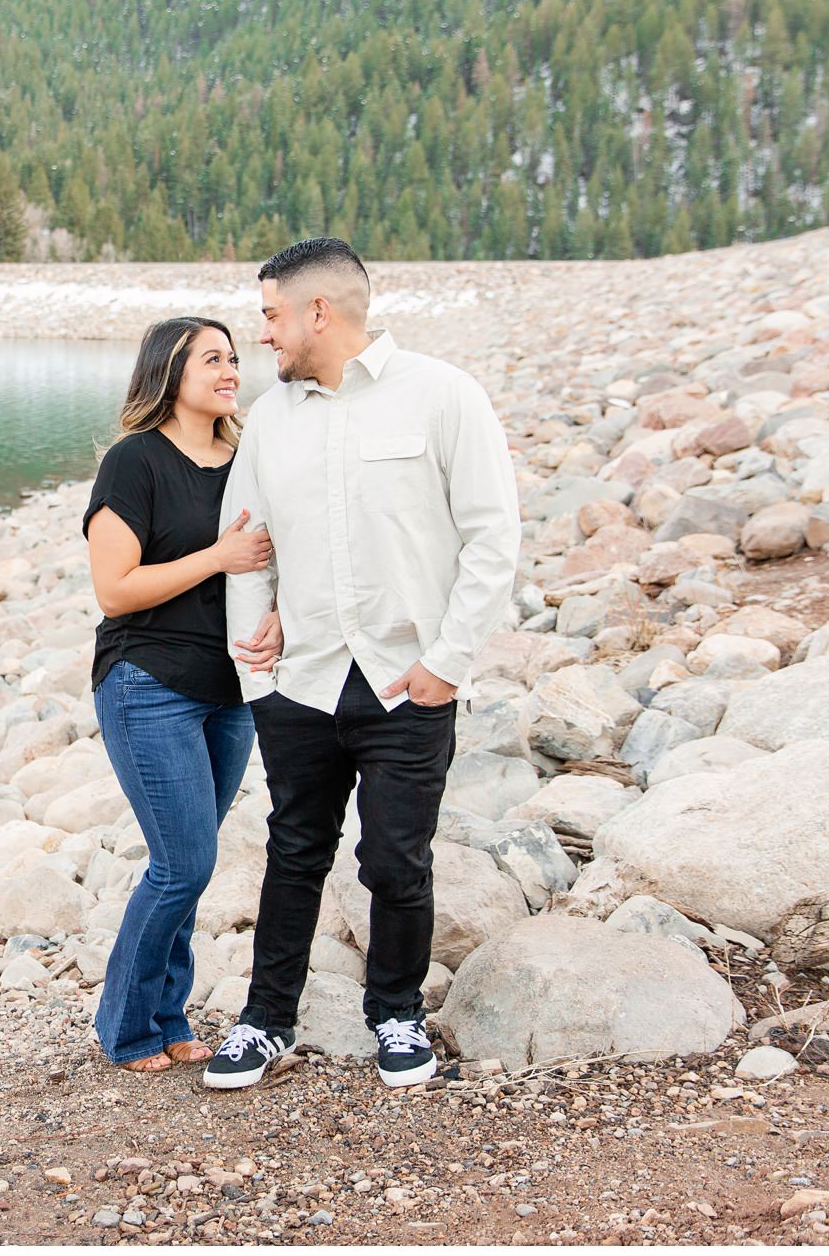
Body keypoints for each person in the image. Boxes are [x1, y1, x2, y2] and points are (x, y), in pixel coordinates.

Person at [202, 238, 520, 1090]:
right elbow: (247, 547)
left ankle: (397, 1015)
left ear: (319, 312)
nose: (262, 335)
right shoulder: (272, 419)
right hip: (299, 683)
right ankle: (266, 1023)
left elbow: (493, 538)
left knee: (396, 859)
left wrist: (446, 664)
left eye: (270, 315)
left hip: (405, 680)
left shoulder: (443, 397)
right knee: (294, 851)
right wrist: (255, 674)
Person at [82, 316, 271, 1073]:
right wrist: (217, 555)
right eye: (211, 359)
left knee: (190, 859)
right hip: (148, 683)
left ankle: (169, 1013)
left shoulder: (246, 458)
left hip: (231, 688)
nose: (230, 370)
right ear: (169, 371)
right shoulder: (136, 463)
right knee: (182, 864)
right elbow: (115, 590)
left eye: (234, 357)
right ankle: (126, 1026)